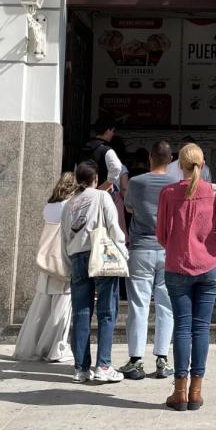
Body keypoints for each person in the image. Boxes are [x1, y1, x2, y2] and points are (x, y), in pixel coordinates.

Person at [157, 143, 216, 411]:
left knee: (182, 328)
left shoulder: (168, 193)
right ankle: (196, 392)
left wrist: (178, 245)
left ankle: (179, 392)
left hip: (177, 268)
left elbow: (161, 235)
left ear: (179, 165)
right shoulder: (214, 191)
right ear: (203, 164)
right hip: (209, 268)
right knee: (201, 328)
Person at [117, 141, 177, 380]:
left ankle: (135, 361)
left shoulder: (136, 182)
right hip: (168, 250)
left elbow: (130, 208)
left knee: (138, 305)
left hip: (141, 248)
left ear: (150, 158)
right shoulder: (176, 184)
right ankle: (162, 359)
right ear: (170, 159)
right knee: (166, 305)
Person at [63, 161, 126, 384]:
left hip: (77, 257)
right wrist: (123, 252)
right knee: (107, 311)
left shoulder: (69, 204)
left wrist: (68, 265)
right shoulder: (102, 196)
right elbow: (114, 227)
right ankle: (104, 365)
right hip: (102, 255)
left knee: (81, 313)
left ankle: (81, 369)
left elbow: (64, 237)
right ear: (96, 179)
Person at [13, 172, 78, 363]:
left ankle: (32, 346)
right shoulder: (70, 206)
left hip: (47, 262)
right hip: (63, 261)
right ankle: (55, 348)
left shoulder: (49, 206)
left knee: (41, 308)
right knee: (62, 306)